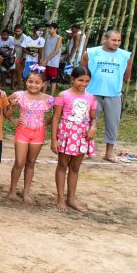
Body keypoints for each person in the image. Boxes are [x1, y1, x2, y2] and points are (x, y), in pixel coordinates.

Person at [81, 29, 133, 163]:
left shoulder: (126, 56)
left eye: (119, 40)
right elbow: (83, 71)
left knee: (112, 124)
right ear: (105, 39)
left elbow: (126, 76)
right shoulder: (91, 52)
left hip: (114, 94)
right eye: (113, 40)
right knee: (88, 122)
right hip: (92, 94)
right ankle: (85, 149)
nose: (116, 43)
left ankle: (109, 153)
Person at [51, 66, 97, 213]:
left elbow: (93, 118)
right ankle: (60, 198)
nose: (83, 83)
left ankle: (71, 199)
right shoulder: (63, 95)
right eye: (80, 80)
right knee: (62, 165)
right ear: (72, 79)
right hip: (66, 134)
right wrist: (54, 139)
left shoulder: (91, 97)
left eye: (87, 81)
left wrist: (93, 127)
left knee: (75, 167)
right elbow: (56, 118)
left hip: (83, 135)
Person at [7, 66, 54, 203]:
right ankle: (12, 189)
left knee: (31, 163)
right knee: (19, 162)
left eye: (37, 82)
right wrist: (12, 118)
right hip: (23, 131)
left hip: (38, 133)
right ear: (26, 81)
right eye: (30, 81)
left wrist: (48, 122)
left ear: (43, 84)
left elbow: (59, 113)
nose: (33, 85)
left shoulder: (49, 99)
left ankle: (26, 192)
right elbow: (5, 107)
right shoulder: (18, 95)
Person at [41, 22, 63, 96]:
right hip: (45, 61)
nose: (49, 30)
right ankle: (43, 94)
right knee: (46, 78)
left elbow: (56, 51)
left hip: (53, 62)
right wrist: (42, 58)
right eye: (48, 28)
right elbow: (44, 48)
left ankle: (51, 96)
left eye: (50, 28)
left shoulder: (59, 38)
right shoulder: (47, 37)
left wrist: (46, 59)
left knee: (53, 80)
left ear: (55, 29)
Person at [11, 24, 29, 90]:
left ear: (22, 31)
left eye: (19, 31)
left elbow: (25, 48)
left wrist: (22, 58)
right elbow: (15, 47)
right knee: (17, 71)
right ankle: (19, 87)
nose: (17, 32)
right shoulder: (14, 37)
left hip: (24, 57)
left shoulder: (24, 37)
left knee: (25, 73)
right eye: (16, 31)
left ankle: (26, 88)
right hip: (18, 57)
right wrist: (12, 55)